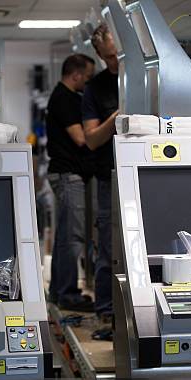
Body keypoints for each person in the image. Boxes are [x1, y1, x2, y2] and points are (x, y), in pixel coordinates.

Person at [47, 53, 96, 312]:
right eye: (87, 77)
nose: (88, 83)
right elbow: (81, 138)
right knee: (72, 237)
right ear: (75, 74)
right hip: (68, 175)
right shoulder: (64, 99)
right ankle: (67, 294)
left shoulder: (65, 97)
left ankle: (59, 290)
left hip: (67, 174)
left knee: (66, 236)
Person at [82, 24, 119, 321]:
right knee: (108, 245)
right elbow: (92, 139)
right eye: (109, 57)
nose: (116, 60)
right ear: (99, 55)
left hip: (146, 176)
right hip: (109, 178)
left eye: (119, 53)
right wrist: (117, 117)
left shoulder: (150, 79)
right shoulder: (95, 89)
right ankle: (106, 310)